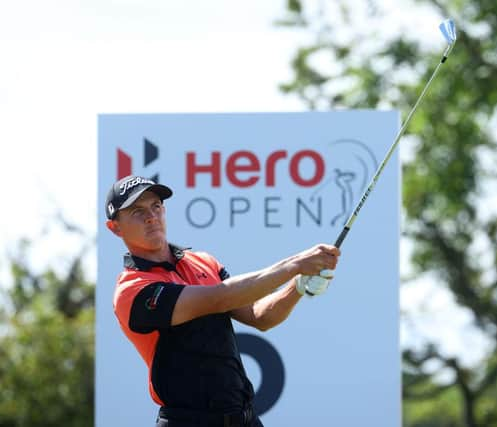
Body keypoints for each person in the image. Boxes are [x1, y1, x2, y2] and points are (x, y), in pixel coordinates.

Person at [104, 175, 341, 427]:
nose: (151, 216)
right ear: (115, 227)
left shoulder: (203, 261)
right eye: (137, 211)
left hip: (244, 418)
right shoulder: (132, 289)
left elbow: (261, 316)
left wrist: (297, 287)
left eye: (156, 206)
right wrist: (294, 265)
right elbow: (218, 298)